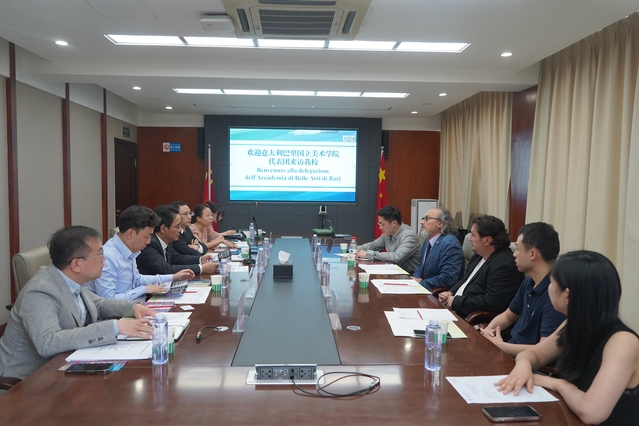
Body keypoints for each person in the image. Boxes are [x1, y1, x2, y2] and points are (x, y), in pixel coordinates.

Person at [496, 251, 639, 425]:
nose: (549, 288)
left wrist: (559, 384)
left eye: (552, 283)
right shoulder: (575, 323)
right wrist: (523, 366)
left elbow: (592, 412)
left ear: (568, 295)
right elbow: (533, 355)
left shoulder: (623, 343)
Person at [0, 226, 156, 383]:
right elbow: (48, 342)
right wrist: (115, 327)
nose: (104, 259)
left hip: (66, 365)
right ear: (76, 265)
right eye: (99, 254)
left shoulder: (73, 279)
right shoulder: (40, 291)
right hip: (28, 380)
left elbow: (99, 305)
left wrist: (133, 307)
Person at [481, 222, 565, 357]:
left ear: (532, 254)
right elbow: (508, 316)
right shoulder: (528, 282)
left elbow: (544, 349)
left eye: (518, 249)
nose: (514, 254)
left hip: (528, 362)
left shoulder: (556, 294)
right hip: (509, 352)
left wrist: (501, 346)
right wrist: (489, 330)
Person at [89, 205, 193, 300]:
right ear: (130, 234)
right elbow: (108, 301)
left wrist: (173, 277)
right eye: (146, 237)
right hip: (121, 312)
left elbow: (137, 279)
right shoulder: (107, 258)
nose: (148, 242)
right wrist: (144, 289)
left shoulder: (129, 249)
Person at [439, 215, 523, 318]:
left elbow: (492, 302)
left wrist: (456, 302)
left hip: (471, 318)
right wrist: (451, 292)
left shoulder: (505, 265)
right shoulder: (479, 255)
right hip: (454, 310)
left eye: (473, 235)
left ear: (487, 241)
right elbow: (465, 280)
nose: (469, 238)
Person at [136, 204, 219, 276]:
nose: (180, 230)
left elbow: (177, 258)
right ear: (163, 229)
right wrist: (201, 268)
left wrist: (200, 259)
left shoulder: (167, 241)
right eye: (177, 226)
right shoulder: (150, 244)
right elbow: (166, 269)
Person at [356, 205, 422, 273]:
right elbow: (374, 245)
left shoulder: (409, 236)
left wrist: (368, 254)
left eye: (383, 224)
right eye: (379, 224)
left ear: (394, 223)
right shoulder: (388, 233)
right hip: (393, 271)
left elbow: (397, 257)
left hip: (409, 274)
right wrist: (356, 249)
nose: (380, 228)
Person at [411, 207, 464, 291]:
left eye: (427, 219)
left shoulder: (450, 244)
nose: (422, 222)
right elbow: (420, 265)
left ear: (440, 223)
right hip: (422, 289)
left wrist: (421, 283)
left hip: (437, 294)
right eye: (423, 219)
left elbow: (448, 278)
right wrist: (415, 279)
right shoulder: (428, 240)